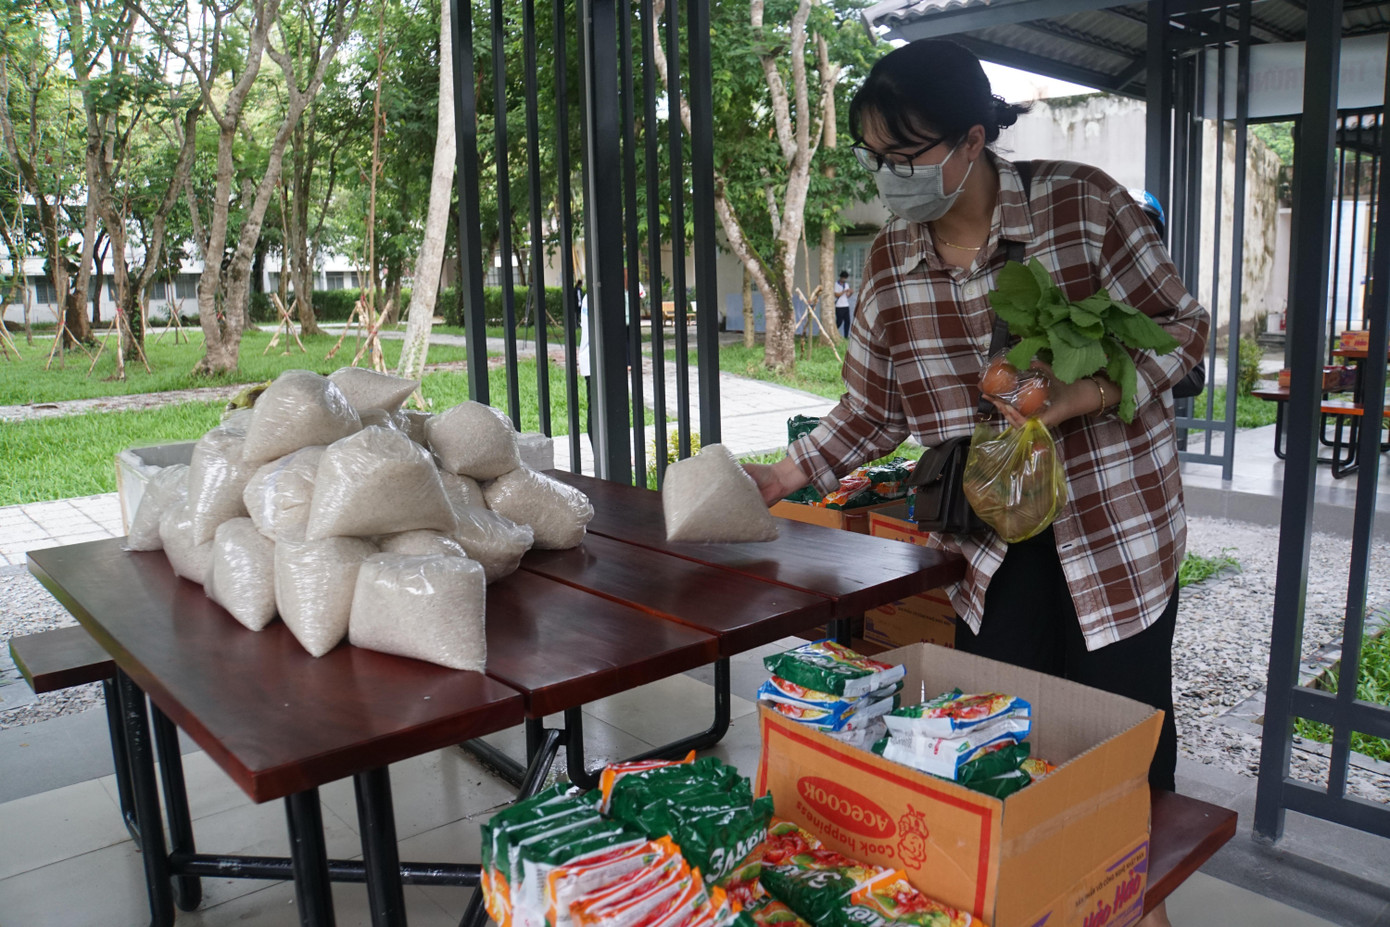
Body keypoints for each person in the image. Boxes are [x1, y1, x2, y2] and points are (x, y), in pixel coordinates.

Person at [745, 38, 1207, 822]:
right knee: (994, 750)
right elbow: (874, 407)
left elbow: (1184, 332)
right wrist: (784, 476)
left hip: (1114, 527)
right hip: (990, 539)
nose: (888, 172)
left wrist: (1085, 392)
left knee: (1120, 768)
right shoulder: (893, 259)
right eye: (873, 154)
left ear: (972, 138)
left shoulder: (1084, 207)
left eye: (904, 152)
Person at [833, 270, 853, 337]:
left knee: (847, 321)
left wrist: (850, 293)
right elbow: (836, 295)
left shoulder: (846, 284)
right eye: (844, 278)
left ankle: (846, 336)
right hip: (839, 306)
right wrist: (843, 291)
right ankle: (833, 333)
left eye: (845, 278)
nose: (844, 279)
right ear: (841, 277)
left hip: (846, 305)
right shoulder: (836, 284)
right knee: (839, 322)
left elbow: (847, 296)